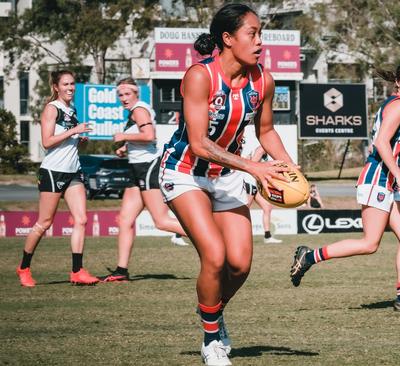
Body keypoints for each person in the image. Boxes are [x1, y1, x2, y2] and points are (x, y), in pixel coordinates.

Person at [158, 4, 296, 365]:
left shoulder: (263, 80)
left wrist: (293, 170)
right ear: (228, 38)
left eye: (261, 33)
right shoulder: (200, 76)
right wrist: (253, 167)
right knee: (215, 257)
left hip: (226, 176)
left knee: (240, 265)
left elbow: (265, 131)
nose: (260, 42)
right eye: (252, 33)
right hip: (184, 171)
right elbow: (199, 143)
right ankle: (211, 341)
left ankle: (212, 315)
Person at [290, 61, 400, 312]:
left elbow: (388, 148)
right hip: (378, 179)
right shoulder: (399, 104)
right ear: (397, 83)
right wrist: (399, 176)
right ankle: (309, 256)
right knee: (370, 244)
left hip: (388, 179)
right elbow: (380, 143)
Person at [100, 77, 189, 283]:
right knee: (125, 220)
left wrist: (123, 137)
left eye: (127, 94)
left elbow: (149, 135)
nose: (123, 98)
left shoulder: (139, 110)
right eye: (120, 95)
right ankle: (121, 271)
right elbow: (144, 138)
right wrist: (125, 147)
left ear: (136, 94)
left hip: (147, 168)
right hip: (136, 168)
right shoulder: (135, 111)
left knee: (161, 221)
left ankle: (208, 239)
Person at [16, 70, 99, 287]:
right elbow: (46, 142)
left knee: (81, 219)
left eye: (73, 84)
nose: (70, 88)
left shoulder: (72, 109)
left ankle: (77, 271)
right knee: (44, 223)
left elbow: (70, 142)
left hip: (73, 171)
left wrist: (81, 140)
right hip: (53, 172)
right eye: (65, 84)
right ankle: (23, 267)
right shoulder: (52, 109)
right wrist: (73, 132)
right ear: (56, 87)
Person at [243, 145, 282, 244]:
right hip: (250, 182)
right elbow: (252, 165)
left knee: (267, 207)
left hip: (255, 184)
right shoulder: (261, 149)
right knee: (243, 210)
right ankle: (237, 235)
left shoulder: (261, 150)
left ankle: (267, 236)